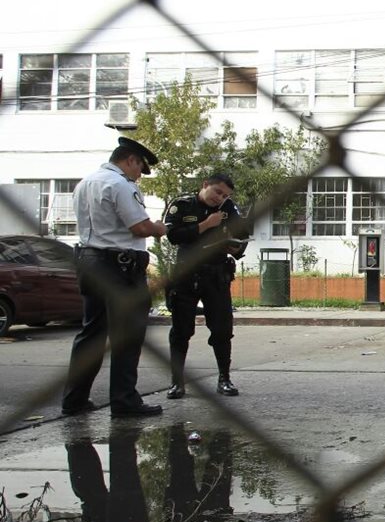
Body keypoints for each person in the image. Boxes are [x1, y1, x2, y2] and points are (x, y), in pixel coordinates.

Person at [61, 137, 166, 418]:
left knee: (91, 334)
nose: (139, 176)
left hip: (89, 261)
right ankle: (124, 401)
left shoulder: (86, 183)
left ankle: (74, 400)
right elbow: (139, 227)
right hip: (119, 268)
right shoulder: (120, 184)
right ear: (130, 160)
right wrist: (158, 228)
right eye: (139, 169)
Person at [164, 173, 247, 399]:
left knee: (222, 329)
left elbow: (243, 236)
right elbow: (173, 236)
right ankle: (177, 382)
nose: (220, 198)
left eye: (225, 195)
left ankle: (224, 379)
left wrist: (235, 248)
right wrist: (205, 225)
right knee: (181, 331)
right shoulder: (182, 205)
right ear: (205, 185)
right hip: (186, 274)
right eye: (217, 192)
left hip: (216, 274)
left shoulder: (230, 209)